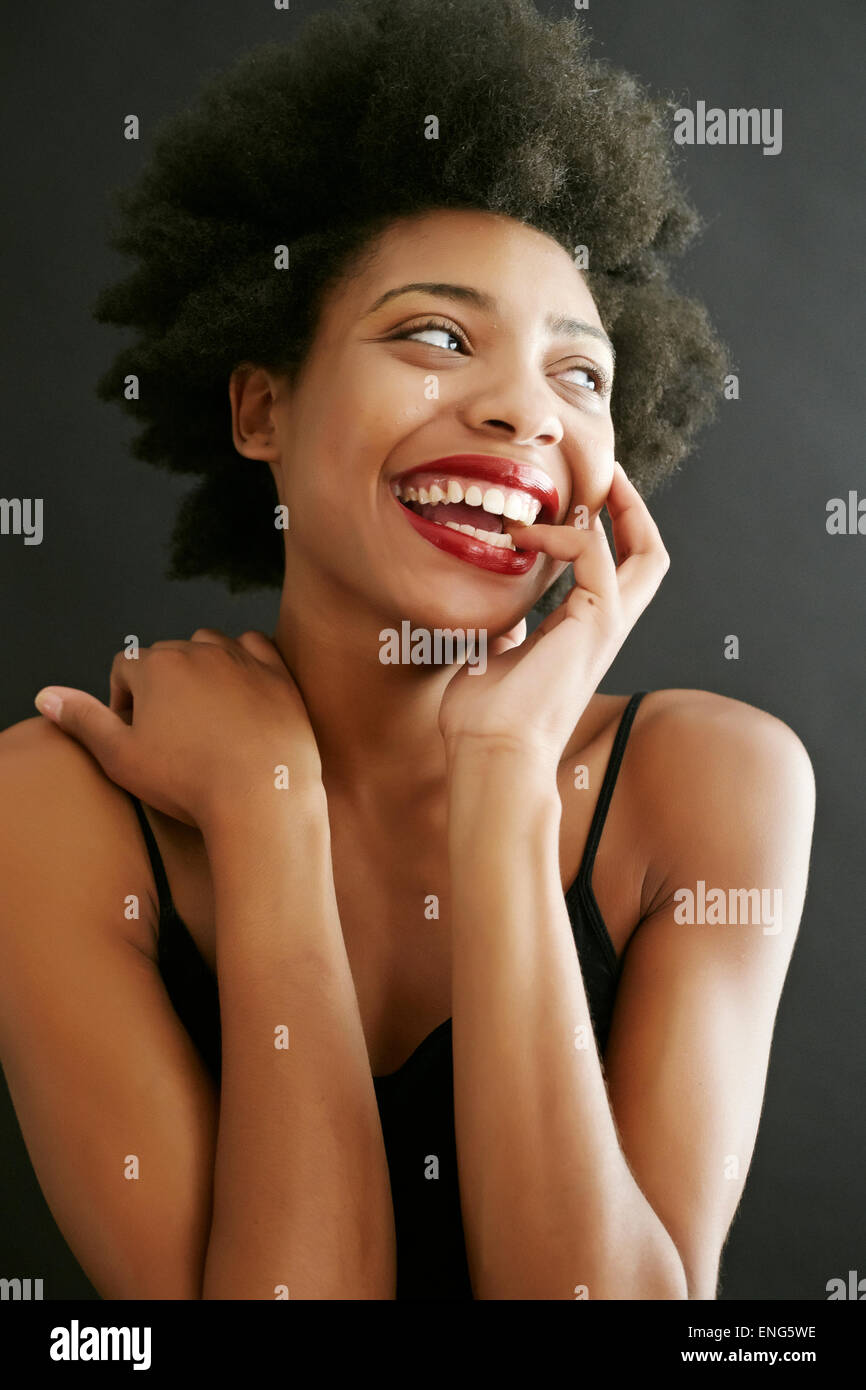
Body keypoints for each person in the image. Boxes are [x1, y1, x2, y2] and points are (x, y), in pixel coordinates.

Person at [0, 0, 814, 1300]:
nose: (519, 410)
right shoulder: (51, 802)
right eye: (436, 336)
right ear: (261, 405)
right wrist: (272, 825)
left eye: (580, 376)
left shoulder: (708, 784)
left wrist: (498, 775)